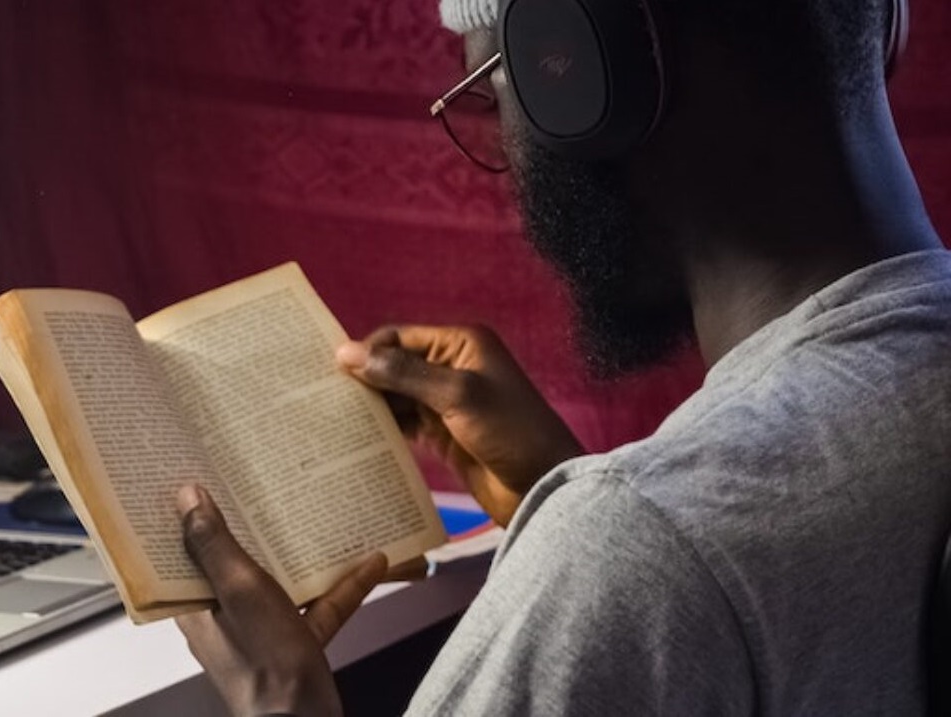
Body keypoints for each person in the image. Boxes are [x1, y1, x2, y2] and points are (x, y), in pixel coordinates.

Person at [174, 0, 951, 713]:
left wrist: (282, 700)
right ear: (881, 25)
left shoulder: (647, 545)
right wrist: (569, 486)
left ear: (575, 62)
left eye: (489, 83)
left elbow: (684, 555)